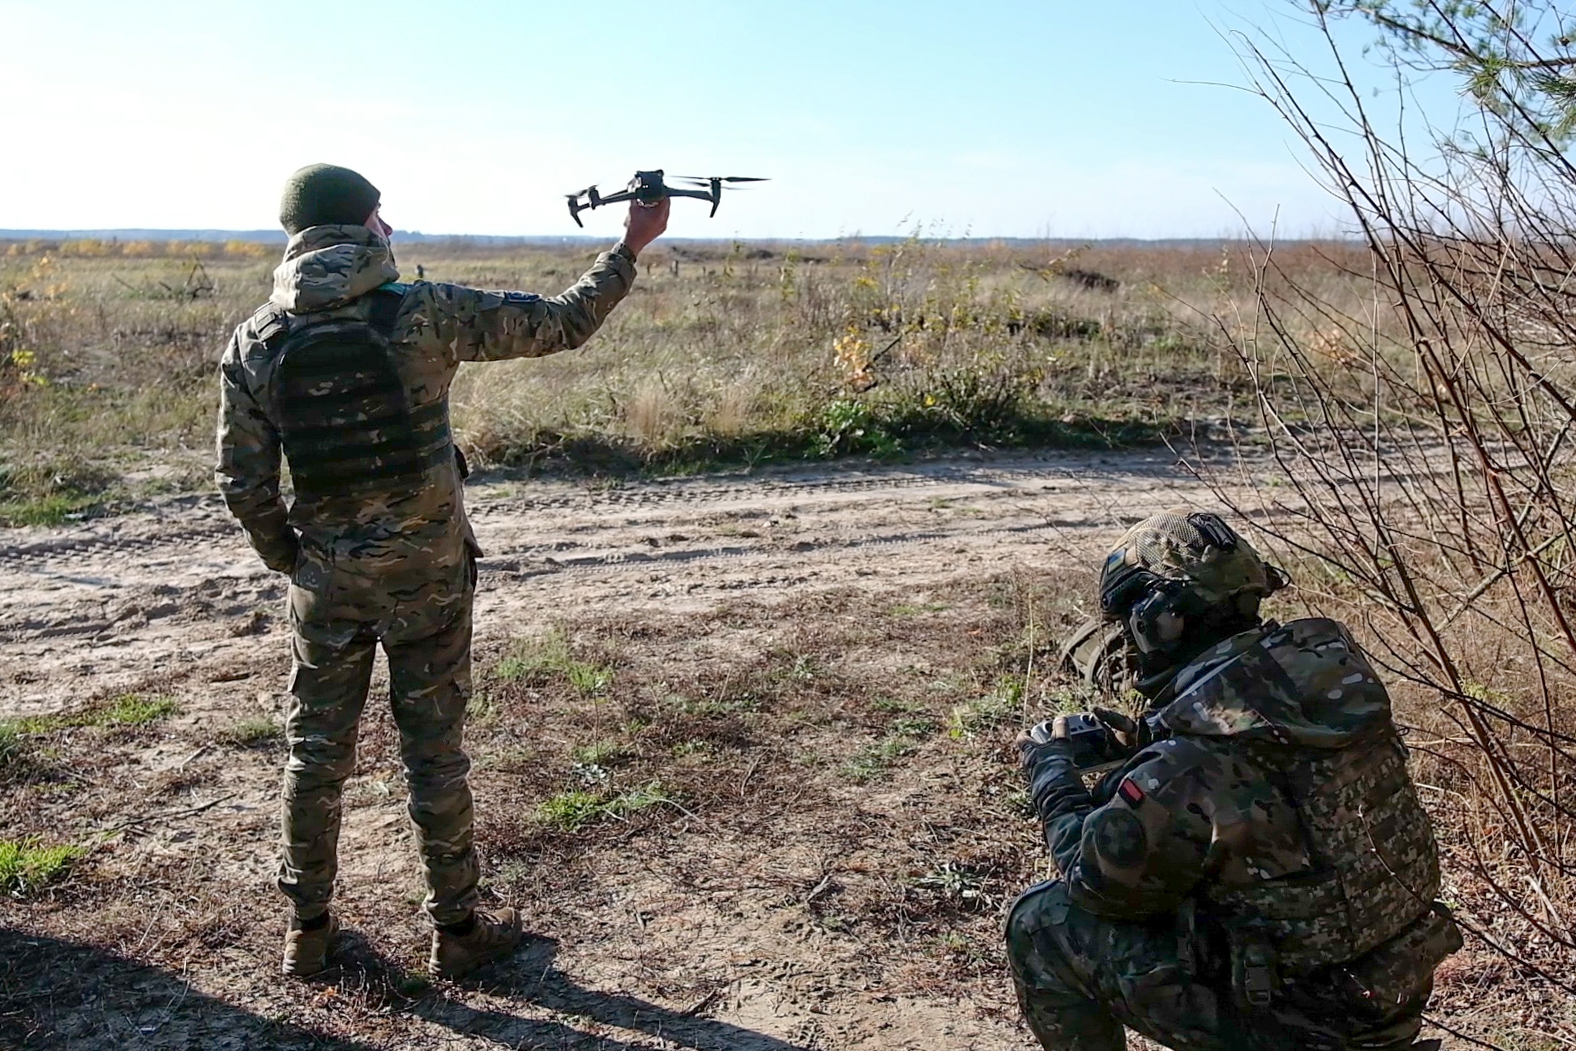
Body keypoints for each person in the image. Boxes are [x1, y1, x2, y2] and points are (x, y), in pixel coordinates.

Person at [215, 163, 669, 979]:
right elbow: (562, 323)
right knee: (435, 751)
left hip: (327, 585)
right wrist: (630, 247)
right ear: (369, 226)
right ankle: (457, 928)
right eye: (383, 217)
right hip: (428, 578)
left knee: (314, 753)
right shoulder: (423, 311)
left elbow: (241, 483)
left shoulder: (255, 340)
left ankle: (308, 931)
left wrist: (299, 559)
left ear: (293, 238)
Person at [1007, 509, 1460, 1051]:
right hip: (1389, 1003)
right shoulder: (1333, 695)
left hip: (1294, 1026)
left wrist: (1051, 769)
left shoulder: (1189, 766)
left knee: (1042, 922)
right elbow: (1256, 755)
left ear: (1161, 619)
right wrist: (1153, 737)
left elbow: (1095, 885)